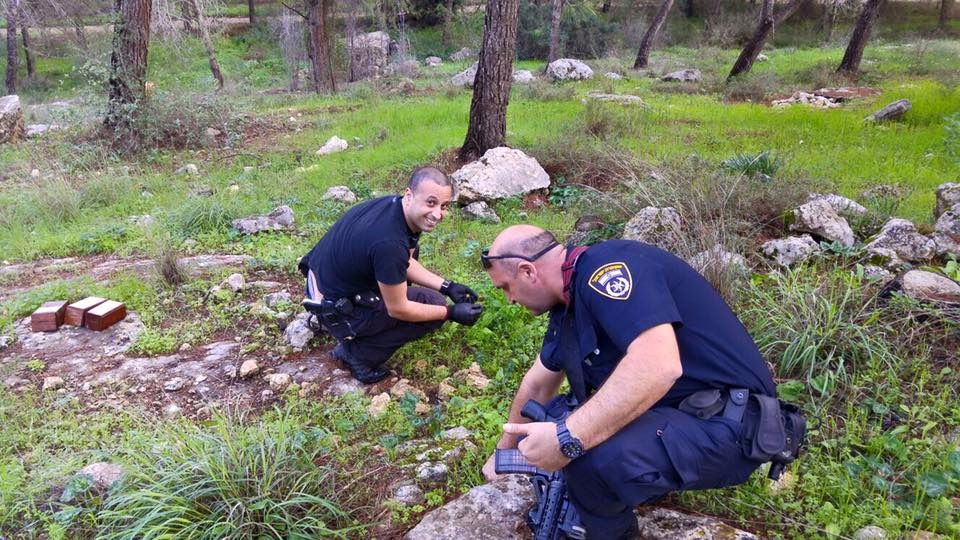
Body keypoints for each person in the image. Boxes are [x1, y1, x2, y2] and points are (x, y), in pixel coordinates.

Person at [480, 224, 778, 539]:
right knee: (554, 415)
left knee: (585, 457)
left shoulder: (607, 269)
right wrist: (502, 454)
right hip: (685, 415)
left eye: (505, 287)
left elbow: (659, 365)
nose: (509, 300)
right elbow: (538, 385)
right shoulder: (568, 306)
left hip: (734, 424)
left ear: (527, 271)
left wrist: (566, 439)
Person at [298, 167, 484, 384]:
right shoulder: (389, 243)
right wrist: (450, 312)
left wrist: (448, 286)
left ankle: (361, 322)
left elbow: (405, 262)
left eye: (444, 206)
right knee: (432, 304)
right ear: (409, 195)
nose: (437, 214)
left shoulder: (394, 208)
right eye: (431, 203)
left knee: (413, 261)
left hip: (322, 285)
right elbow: (399, 309)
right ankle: (357, 355)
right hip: (334, 308)